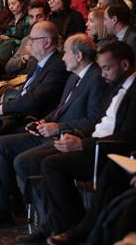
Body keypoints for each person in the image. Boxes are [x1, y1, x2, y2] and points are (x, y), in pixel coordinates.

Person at [0, 33, 106, 229]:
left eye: (66, 53)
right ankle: (1, 210)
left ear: (78, 56)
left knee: (25, 160)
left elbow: (94, 120)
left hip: (69, 137)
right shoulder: (74, 78)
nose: (62, 57)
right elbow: (61, 109)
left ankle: (49, 221)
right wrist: (44, 121)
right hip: (51, 131)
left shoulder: (96, 79)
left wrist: (58, 127)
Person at [16, 42, 136, 244]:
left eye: (106, 67)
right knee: (40, 162)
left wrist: (82, 144)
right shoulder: (114, 85)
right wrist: (75, 135)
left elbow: (127, 138)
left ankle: (75, 228)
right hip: (95, 144)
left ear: (124, 65)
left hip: (110, 151)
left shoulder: (131, 91)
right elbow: (100, 122)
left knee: (50, 164)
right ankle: (59, 224)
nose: (102, 73)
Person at [0, 21, 69, 178]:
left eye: (33, 40)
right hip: (20, 116)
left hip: (37, 120)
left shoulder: (57, 65)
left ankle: (7, 196)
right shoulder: (36, 64)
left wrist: (3, 108)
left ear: (46, 42)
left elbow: (35, 98)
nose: (28, 43)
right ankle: (6, 194)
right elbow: (25, 93)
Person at [5, 0, 49, 76]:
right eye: (31, 17)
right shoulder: (26, 39)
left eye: (39, 16)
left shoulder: (53, 39)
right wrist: (24, 59)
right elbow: (8, 66)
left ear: (47, 17)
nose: (35, 20)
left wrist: (33, 57)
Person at [0, 0, 31, 65]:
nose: (11, 7)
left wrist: (11, 40)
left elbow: (27, 41)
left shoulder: (28, 20)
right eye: (9, 4)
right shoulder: (7, 18)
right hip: (4, 47)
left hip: (18, 50)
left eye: (13, 3)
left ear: (22, 3)